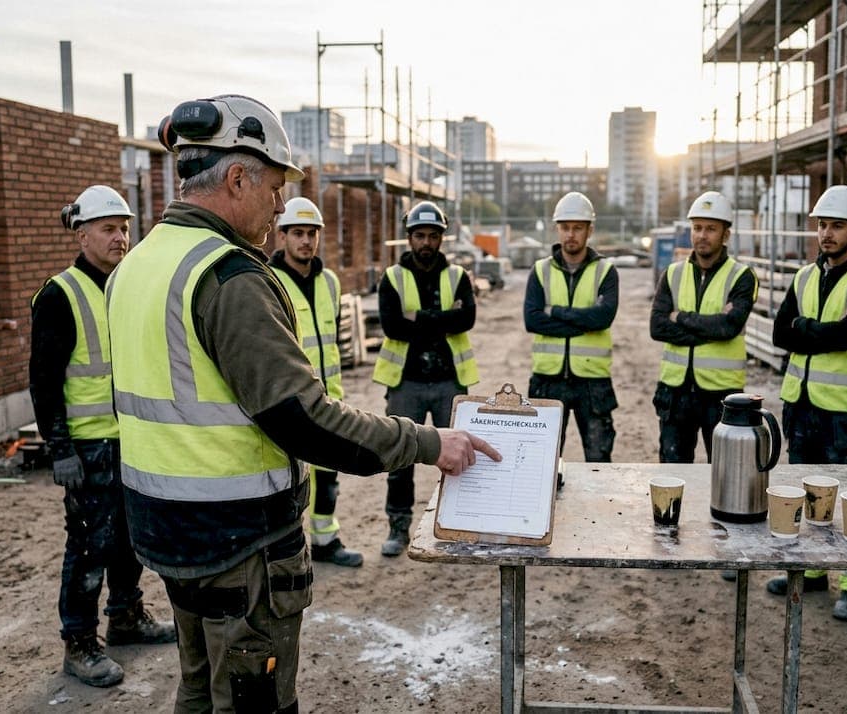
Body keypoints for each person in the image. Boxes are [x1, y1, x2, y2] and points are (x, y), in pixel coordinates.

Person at [106, 94, 499, 713]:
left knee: (198, 689)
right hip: (237, 541)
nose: (280, 204)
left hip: (166, 530)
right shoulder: (227, 276)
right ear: (237, 177)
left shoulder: (138, 264)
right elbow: (303, 420)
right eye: (274, 187)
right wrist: (427, 443)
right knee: (252, 700)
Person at [29, 185, 176, 688]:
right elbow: (43, 380)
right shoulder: (59, 294)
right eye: (110, 229)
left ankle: (127, 616)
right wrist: (60, 448)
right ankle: (79, 643)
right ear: (82, 232)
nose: (121, 238)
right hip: (90, 446)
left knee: (130, 540)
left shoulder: (127, 285)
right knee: (90, 545)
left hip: (131, 438)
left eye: (125, 228)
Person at [762, 185, 847, 622]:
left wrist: (807, 328)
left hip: (846, 409)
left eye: (836, 225)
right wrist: (816, 329)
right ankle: (812, 572)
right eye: (822, 224)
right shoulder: (804, 276)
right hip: (801, 403)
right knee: (805, 490)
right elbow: (781, 334)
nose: (826, 233)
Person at [372, 199, 480, 556]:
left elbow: (467, 320)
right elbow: (393, 327)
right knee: (401, 457)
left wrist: (417, 317)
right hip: (407, 383)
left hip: (450, 381)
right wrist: (443, 317)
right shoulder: (392, 278)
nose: (426, 243)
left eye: (433, 236)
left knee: (458, 457)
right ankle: (398, 527)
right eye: (420, 235)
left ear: (442, 239)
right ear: (409, 238)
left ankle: (457, 524)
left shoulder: (458, 277)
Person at [268, 197, 363, 567]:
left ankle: (325, 540)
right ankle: (285, 552)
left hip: (328, 397)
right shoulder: (269, 280)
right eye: (298, 233)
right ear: (282, 236)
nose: (306, 241)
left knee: (328, 476)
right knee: (286, 480)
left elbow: (333, 344)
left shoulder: (331, 283)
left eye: (312, 234)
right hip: (287, 399)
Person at [649, 190, 757, 464]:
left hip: (722, 394)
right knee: (673, 473)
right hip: (675, 391)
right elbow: (657, 327)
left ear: (726, 235)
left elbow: (729, 327)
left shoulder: (742, 277)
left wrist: (680, 316)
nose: (702, 235)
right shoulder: (672, 274)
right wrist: (708, 327)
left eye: (711, 229)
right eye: (697, 228)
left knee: (724, 473)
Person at [524, 191, 619, 471]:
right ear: (557, 229)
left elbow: (602, 318)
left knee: (600, 463)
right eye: (565, 227)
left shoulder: (605, 271)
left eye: (578, 228)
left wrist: (554, 311)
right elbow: (532, 320)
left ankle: (600, 516)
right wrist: (582, 320)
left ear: (590, 229)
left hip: (593, 382)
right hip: (548, 380)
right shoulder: (540, 271)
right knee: (543, 463)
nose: (571, 235)